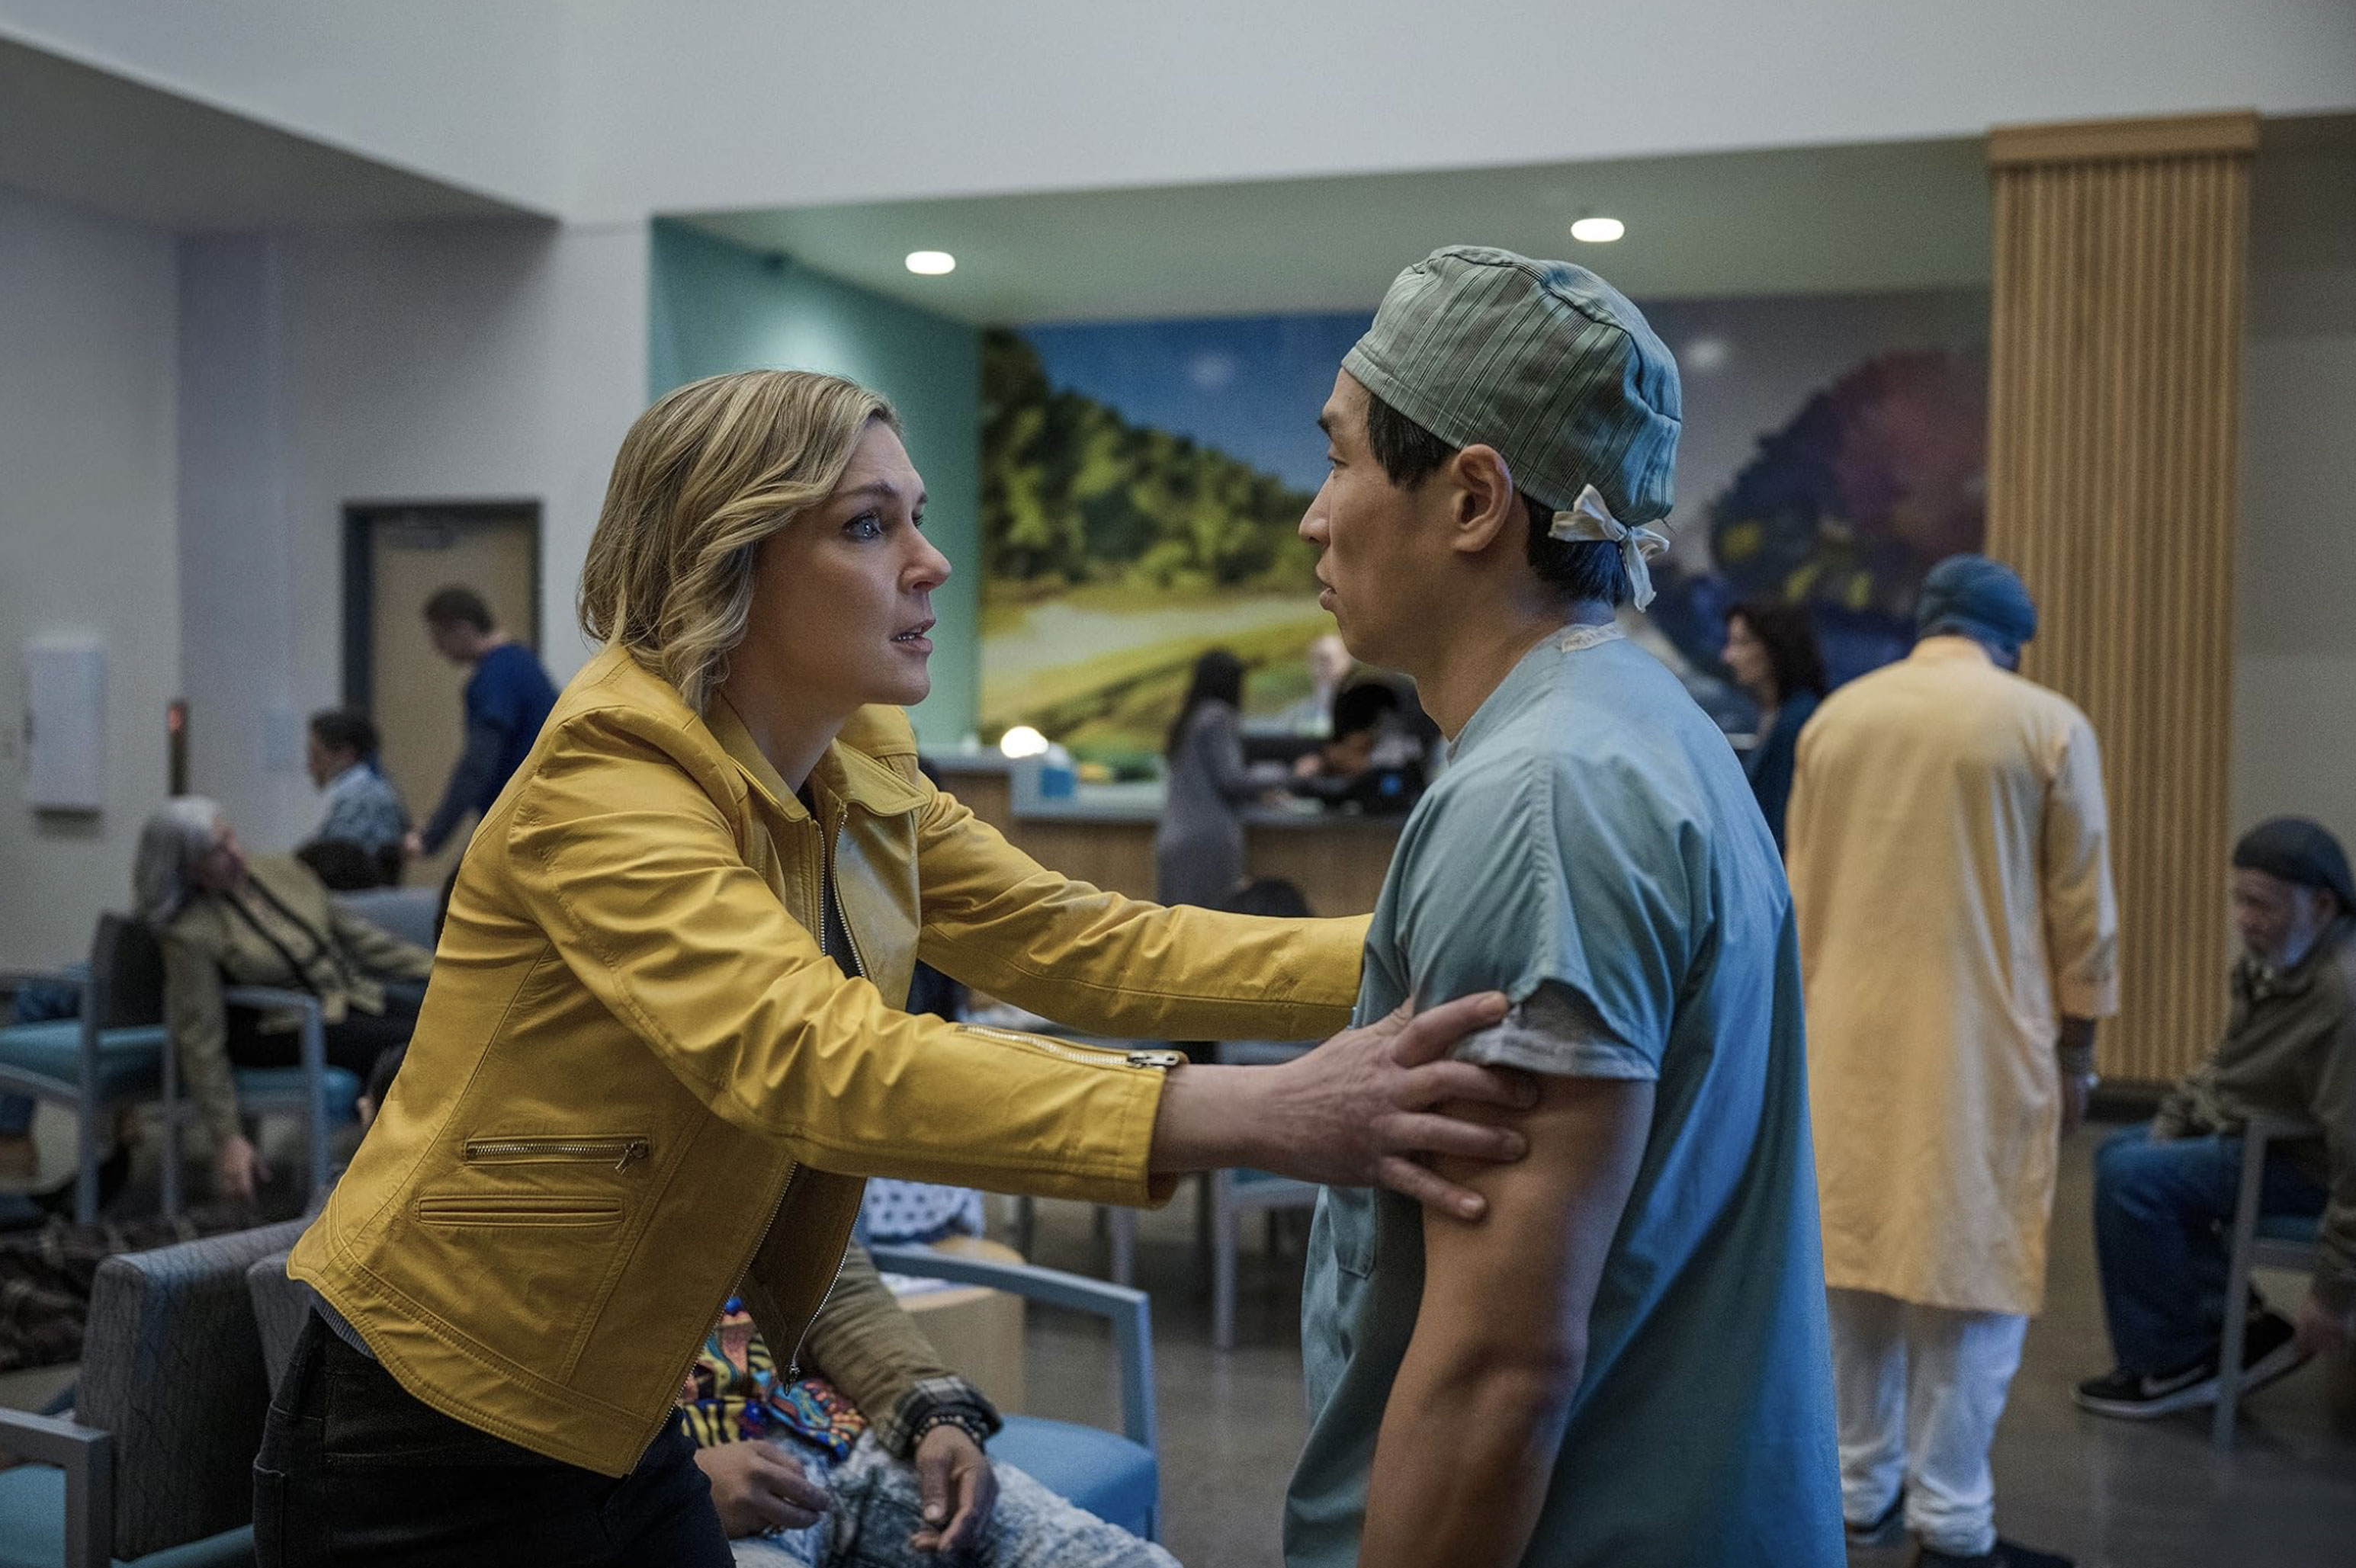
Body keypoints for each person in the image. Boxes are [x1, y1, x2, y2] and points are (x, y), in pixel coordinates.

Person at [262, 369, 1533, 1566]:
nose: (930, 563)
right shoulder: (608, 778)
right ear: (727, 559)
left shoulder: (852, 761)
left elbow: (1083, 943)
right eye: (869, 527)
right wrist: (1260, 1108)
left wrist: (1451, 925)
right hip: (427, 1431)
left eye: (914, 518)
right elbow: (817, 1058)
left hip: (613, 1412)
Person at [1283, 245, 1841, 1568]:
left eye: (1340, 458)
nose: (1313, 517)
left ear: (1473, 498)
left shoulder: (1539, 798)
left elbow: (1497, 1375)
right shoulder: (1638, 722)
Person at [1786, 554, 2117, 1568]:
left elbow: (1794, 891)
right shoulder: (2045, 723)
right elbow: (2082, 908)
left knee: (1852, 1270)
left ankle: (1856, 1494)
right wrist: (2079, 1045)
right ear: (2009, 636)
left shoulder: (1835, 722)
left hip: (1839, 1040)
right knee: (1971, 1283)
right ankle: (1954, 1522)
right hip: (1983, 1048)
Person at [2076, 816, 2356, 1418]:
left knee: (2132, 1180)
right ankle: (2234, 1326)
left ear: (2323, 905)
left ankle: (2175, 1360)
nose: (2245, 920)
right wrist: (2172, 1121)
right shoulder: (2276, 961)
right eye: (2240, 900)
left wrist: (2334, 1291)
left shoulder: (2341, 995)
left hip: (2306, 1168)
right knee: (2121, 1153)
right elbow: (2226, 1061)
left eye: (2263, 905)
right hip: (2259, 1138)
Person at [683, 1255, 1172, 1568]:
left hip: (829, 1427)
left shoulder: (751, 1143)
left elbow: (836, 1290)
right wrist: (677, 1484)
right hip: (684, 1478)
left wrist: (935, 1416)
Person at [137, 798, 433, 1203]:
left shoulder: (281, 870)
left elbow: (362, 940)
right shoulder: (190, 931)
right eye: (216, 852)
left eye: (230, 838)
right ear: (187, 867)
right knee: (410, 1044)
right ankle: (403, 1182)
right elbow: (198, 1035)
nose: (234, 854)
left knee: (442, 1020)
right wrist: (227, 1137)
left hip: (345, 998)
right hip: (277, 1026)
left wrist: (443, 967)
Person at [400, 585, 559, 862]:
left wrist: (432, 836)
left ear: (463, 629)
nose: (438, 650)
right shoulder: (523, 662)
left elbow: (478, 765)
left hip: (519, 820)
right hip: (541, 813)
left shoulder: (495, 677)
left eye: (440, 638)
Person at [1720, 598, 1828, 851]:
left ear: (1774, 649)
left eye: (1741, 643)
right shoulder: (1774, 716)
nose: (1728, 656)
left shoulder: (1797, 722)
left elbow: (1783, 823)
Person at [1155, 647, 1260, 908]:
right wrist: (1287, 776)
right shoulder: (1218, 717)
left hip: (1173, 838)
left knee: (1175, 924)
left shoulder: (1188, 717)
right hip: (1207, 842)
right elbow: (1232, 779)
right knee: (1211, 923)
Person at [301, 707, 408, 887]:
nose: (310, 766)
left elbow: (339, 864)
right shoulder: (377, 787)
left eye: (316, 755)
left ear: (346, 755)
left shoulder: (359, 795)